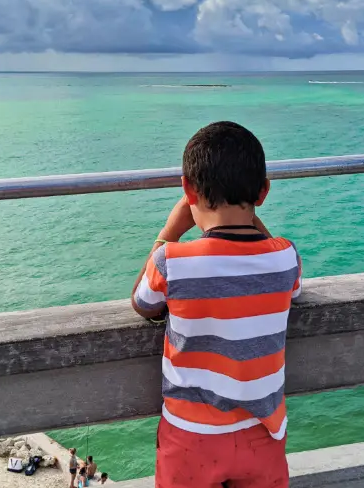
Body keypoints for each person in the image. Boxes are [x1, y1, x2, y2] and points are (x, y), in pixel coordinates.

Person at [131, 122, 302, 488]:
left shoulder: (172, 260)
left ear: (188, 190)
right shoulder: (286, 257)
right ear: (263, 192)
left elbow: (142, 302)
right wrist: (254, 221)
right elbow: (292, 286)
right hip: (263, 432)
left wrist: (170, 231)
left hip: (191, 435)